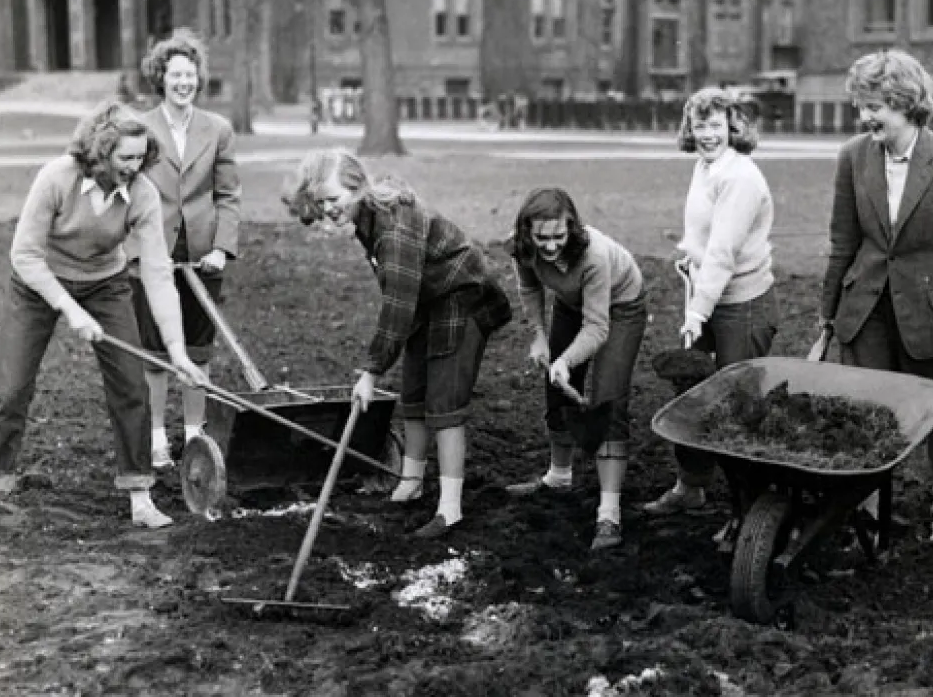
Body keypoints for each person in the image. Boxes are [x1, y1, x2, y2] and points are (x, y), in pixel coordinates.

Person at [0, 101, 207, 534]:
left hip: (105, 283)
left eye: (140, 156)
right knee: (9, 386)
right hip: (37, 282)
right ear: (100, 152)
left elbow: (157, 272)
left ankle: (140, 495)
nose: (134, 165)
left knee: (131, 385)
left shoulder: (143, 194)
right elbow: (24, 255)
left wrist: (177, 351)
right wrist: (70, 309)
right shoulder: (57, 178)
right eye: (125, 157)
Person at [818, 49, 933, 548]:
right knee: (866, 408)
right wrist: (827, 314)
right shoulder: (853, 157)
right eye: (862, 104)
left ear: (905, 102)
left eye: (875, 105)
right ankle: (868, 517)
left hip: (929, 310)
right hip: (866, 306)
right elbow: (842, 243)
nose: (865, 116)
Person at [283, 149, 512, 539]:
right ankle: (411, 481)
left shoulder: (392, 230)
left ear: (358, 188)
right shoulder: (366, 213)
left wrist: (371, 371)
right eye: (321, 202)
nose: (329, 209)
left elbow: (398, 304)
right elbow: (402, 296)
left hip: (461, 299)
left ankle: (450, 508)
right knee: (414, 396)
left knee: (445, 405)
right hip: (428, 300)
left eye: (335, 200)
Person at [644, 87, 778, 521]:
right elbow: (703, 241)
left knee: (738, 408)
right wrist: (691, 264)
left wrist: (696, 312)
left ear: (733, 127)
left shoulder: (739, 177)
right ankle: (691, 486)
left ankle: (747, 511)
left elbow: (722, 253)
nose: (707, 134)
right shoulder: (705, 168)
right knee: (691, 393)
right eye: (699, 125)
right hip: (709, 296)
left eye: (716, 125)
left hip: (742, 304)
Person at [504, 188, 648, 551]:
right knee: (555, 386)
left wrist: (566, 360)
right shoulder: (520, 248)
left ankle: (609, 513)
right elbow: (530, 289)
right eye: (541, 238)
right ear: (526, 233)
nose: (550, 246)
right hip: (570, 303)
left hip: (621, 307)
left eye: (558, 236)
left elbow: (598, 327)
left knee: (607, 399)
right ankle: (559, 476)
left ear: (571, 228)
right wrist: (540, 339)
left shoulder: (594, 256)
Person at [130, 29, 241, 468]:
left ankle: (195, 436)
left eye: (190, 75)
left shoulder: (218, 130)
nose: (183, 82)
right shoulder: (140, 128)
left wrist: (221, 248)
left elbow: (228, 196)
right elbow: (127, 190)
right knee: (155, 352)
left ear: (199, 78)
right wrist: (138, 252)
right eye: (175, 74)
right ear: (161, 77)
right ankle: (157, 437)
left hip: (202, 255)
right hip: (154, 253)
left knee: (197, 349)